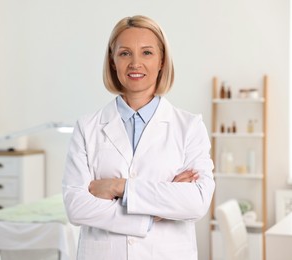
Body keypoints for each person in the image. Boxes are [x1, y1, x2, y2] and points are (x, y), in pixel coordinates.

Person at [62, 15, 215, 260]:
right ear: (112, 61)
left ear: (162, 60)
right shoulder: (87, 127)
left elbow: (196, 202)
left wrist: (118, 187)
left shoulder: (189, 126)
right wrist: (155, 212)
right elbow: (76, 207)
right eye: (124, 53)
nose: (135, 63)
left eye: (146, 53)